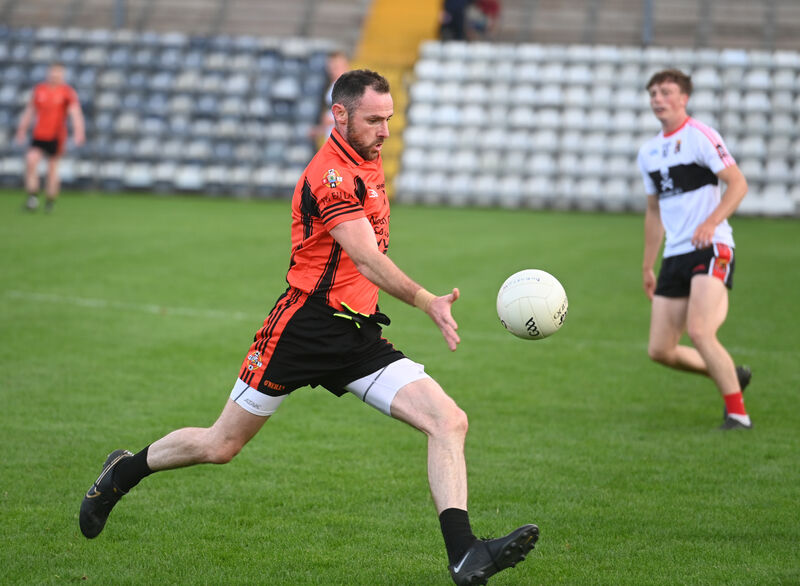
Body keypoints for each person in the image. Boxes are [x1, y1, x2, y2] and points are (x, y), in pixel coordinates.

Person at [79, 69, 538, 585]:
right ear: (338, 114)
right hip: (301, 329)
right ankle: (121, 473)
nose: (385, 131)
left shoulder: (367, 152)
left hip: (357, 334)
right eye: (373, 120)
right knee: (221, 445)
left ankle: (464, 554)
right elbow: (365, 257)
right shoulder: (331, 174)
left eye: (389, 119)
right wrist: (425, 300)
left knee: (448, 420)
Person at [637, 68, 752, 431]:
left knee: (700, 332)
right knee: (660, 350)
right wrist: (647, 265)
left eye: (666, 92)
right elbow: (654, 211)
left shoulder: (700, 136)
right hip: (675, 256)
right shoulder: (649, 152)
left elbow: (737, 183)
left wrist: (711, 222)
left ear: (683, 98)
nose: (658, 98)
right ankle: (729, 373)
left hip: (711, 247)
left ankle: (738, 414)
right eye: (653, 92)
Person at [14, 62, 85, 212]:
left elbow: (75, 113)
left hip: (56, 135)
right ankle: (32, 198)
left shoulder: (66, 92)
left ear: (62, 75)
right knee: (31, 161)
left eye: (58, 73)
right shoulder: (39, 90)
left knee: (52, 168)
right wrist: (22, 129)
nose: (55, 75)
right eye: (53, 72)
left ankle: (50, 201)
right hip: (39, 134)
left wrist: (79, 132)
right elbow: (30, 111)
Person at [309, 51, 349, 147]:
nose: (332, 70)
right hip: (332, 139)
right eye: (330, 67)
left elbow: (353, 113)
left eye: (336, 67)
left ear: (345, 65)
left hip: (343, 141)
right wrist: (320, 129)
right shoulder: (332, 85)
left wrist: (331, 121)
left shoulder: (349, 85)